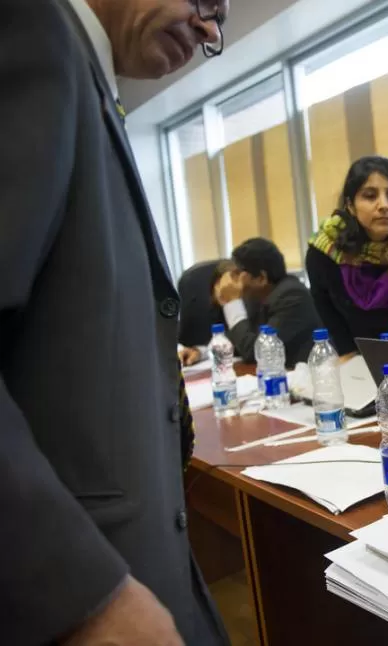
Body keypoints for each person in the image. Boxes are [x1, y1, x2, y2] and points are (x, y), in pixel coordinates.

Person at [0, 0, 230, 644]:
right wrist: (83, 598)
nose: (212, 29)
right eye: (208, 3)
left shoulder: (94, 83)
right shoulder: (31, 30)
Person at [305, 156, 388, 355]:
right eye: (370, 196)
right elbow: (326, 311)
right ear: (350, 205)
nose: (384, 205)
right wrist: (350, 357)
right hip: (353, 357)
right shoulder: (325, 249)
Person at [214, 238, 321, 366]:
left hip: (304, 378)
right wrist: (201, 351)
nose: (232, 281)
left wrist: (232, 303)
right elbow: (239, 341)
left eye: (237, 273)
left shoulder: (291, 296)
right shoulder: (255, 296)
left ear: (261, 278)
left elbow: (254, 352)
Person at [177, 258, 236, 366]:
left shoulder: (242, 307)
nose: (226, 290)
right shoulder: (202, 310)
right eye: (222, 285)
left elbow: (236, 343)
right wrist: (198, 352)